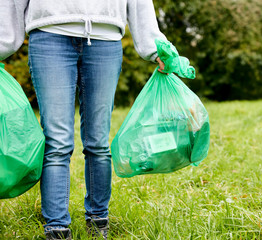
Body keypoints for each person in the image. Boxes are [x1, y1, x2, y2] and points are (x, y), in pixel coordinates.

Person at [0, 0, 167, 239]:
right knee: (56, 142)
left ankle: (99, 221)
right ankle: (56, 228)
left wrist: (154, 47)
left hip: (105, 39)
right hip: (50, 36)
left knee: (98, 142)